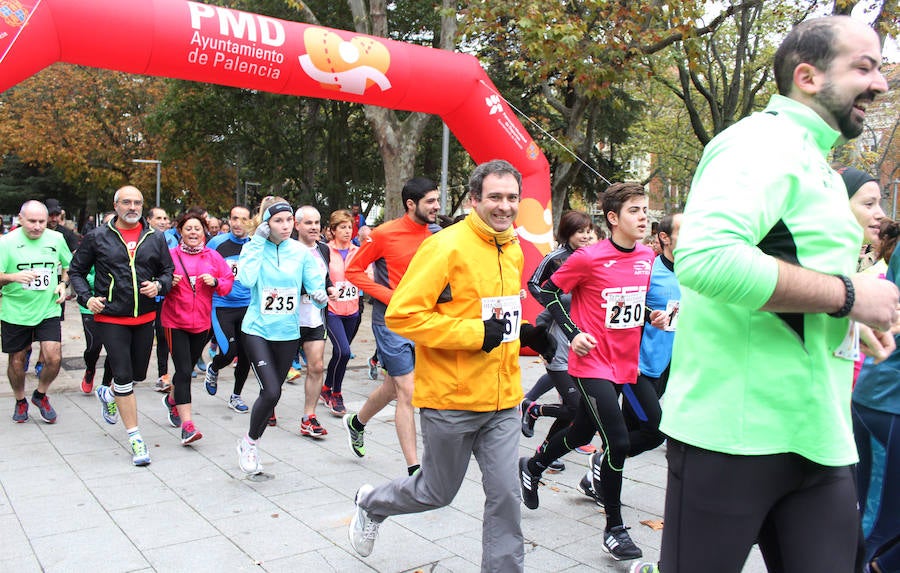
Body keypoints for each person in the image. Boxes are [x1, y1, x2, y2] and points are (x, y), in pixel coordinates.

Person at [630, 17, 898, 573]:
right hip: (733, 436)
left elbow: (794, 274)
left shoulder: (819, 164)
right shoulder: (759, 142)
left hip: (819, 434)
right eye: (864, 67)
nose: (882, 84)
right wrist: (849, 296)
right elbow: (707, 259)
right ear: (807, 76)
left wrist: (851, 322)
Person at [347, 159, 553, 571]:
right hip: (452, 400)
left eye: (512, 197)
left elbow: (496, 315)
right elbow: (402, 316)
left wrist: (525, 332)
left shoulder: (511, 246)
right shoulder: (444, 246)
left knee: (507, 497)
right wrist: (475, 334)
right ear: (475, 199)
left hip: (502, 399)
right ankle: (371, 503)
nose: (505, 206)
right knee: (435, 492)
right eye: (495, 197)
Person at [519, 183, 664, 562]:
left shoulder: (647, 256)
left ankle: (534, 465)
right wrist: (573, 333)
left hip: (627, 365)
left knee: (647, 426)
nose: (644, 217)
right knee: (615, 442)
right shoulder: (588, 257)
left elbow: (631, 300)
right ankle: (614, 529)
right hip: (592, 363)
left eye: (645, 209)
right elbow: (547, 291)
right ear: (613, 218)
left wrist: (652, 316)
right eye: (635, 210)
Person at [69, 186, 174, 466]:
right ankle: (136, 437)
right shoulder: (97, 237)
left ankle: (108, 392)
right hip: (111, 316)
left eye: (137, 202)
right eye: (126, 202)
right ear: (115, 205)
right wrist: (87, 297)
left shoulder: (155, 237)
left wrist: (159, 285)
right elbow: (76, 271)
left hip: (144, 317)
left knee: (138, 373)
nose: (132, 207)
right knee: (125, 376)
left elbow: (168, 271)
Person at [342, 177, 440, 474]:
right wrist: (390, 296)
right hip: (391, 322)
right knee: (408, 392)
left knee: (392, 388)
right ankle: (414, 468)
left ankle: (356, 422)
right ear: (411, 204)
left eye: (437, 200)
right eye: (431, 201)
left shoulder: (437, 235)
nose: (437, 206)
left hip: (424, 322)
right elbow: (353, 270)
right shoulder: (383, 234)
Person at [235, 197, 326, 475]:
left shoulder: (300, 252)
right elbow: (246, 280)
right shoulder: (254, 248)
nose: (286, 226)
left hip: (288, 332)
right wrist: (258, 243)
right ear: (266, 224)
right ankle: (250, 443)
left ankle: (251, 442)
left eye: (289, 220)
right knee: (271, 390)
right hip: (257, 330)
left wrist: (320, 296)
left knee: (272, 395)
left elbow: (314, 285)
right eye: (278, 221)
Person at [521, 210, 595, 473]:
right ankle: (534, 409)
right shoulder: (556, 257)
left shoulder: (594, 256)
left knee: (577, 407)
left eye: (589, 230)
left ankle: (547, 451)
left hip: (586, 338)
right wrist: (554, 302)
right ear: (567, 233)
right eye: (579, 231)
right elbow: (533, 283)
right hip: (560, 336)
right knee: (576, 407)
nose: (585, 236)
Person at [160, 212, 233, 445]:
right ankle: (188, 425)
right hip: (174, 322)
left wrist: (216, 282)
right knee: (183, 372)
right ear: (180, 231)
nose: (193, 232)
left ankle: (172, 400)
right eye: (188, 228)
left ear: (204, 232)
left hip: (201, 323)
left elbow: (228, 282)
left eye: (198, 229)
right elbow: (156, 282)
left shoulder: (213, 257)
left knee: (186, 367)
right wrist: (166, 283)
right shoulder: (170, 256)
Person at [0, 200, 72, 424]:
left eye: (42, 221)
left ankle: (40, 395)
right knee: (17, 361)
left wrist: (63, 284)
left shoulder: (56, 239)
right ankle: (20, 400)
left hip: (47, 307)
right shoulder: (6, 242)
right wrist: (13, 277)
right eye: (32, 221)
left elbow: (69, 266)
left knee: (53, 357)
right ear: (20, 219)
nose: (38, 226)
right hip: (15, 310)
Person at [204, 205, 253, 413]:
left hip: (248, 306)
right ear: (229, 220)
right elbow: (204, 268)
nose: (238, 223)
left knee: (246, 356)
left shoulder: (255, 245)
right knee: (228, 351)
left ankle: (236, 396)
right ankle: (214, 367)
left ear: (250, 222)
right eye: (234, 218)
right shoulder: (217, 243)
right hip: (222, 305)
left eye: (243, 219)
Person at [293, 205, 332, 437]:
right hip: (288, 318)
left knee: (316, 367)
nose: (314, 227)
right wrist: (307, 290)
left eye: (317, 222)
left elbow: (325, 277)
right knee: (279, 371)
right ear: (297, 225)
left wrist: (330, 288)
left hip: (314, 318)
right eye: (308, 223)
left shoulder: (323, 250)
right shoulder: (287, 250)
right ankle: (268, 406)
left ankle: (309, 417)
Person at [321, 209, 361, 416]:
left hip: (353, 309)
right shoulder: (326, 251)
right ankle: (336, 394)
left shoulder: (358, 251)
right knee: (344, 352)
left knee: (340, 353)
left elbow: (367, 276)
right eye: (342, 227)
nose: (347, 231)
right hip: (332, 310)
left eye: (349, 227)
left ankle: (326, 387)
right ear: (333, 230)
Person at [147, 207, 173, 393]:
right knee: (143, 336)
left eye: (165, 218)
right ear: (149, 220)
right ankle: (129, 373)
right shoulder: (144, 238)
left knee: (162, 335)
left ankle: (162, 375)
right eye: (158, 218)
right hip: (145, 294)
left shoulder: (172, 240)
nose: (163, 221)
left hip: (165, 295)